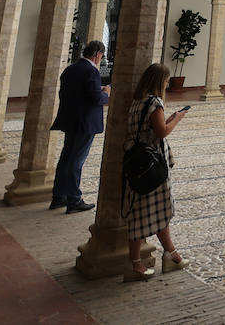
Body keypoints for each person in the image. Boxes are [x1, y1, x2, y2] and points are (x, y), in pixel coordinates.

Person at [123, 62, 189, 282]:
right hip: (152, 166)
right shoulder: (154, 102)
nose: (168, 84)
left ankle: (171, 255)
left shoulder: (136, 102)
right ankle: (137, 264)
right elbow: (161, 133)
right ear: (160, 82)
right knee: (153, 210)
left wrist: (166, 120)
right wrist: (176, 120)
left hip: (137, 163)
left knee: (147, 210)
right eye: (167, 81)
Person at [50, 40, 110, 213]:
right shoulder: (91, 71)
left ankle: (58, 196)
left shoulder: (70, 69)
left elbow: (71, 92)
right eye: (101, 55)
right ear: (98, 53)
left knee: (66, 158)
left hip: (70, 120)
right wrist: (106, 94)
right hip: (85, 123)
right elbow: (95, 98)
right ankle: (74, 200)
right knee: (76, 160)